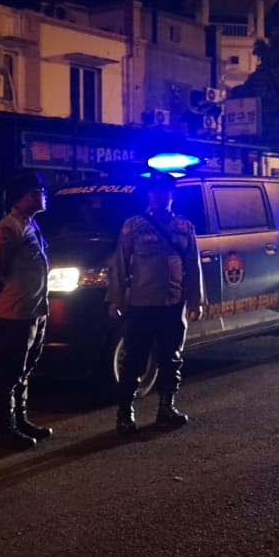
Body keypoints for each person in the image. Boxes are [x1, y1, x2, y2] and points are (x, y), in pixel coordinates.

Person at [107, 173, 206, 433]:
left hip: (173, 303)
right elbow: (118, 264)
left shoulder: (184, 227)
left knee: (171, 358)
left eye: (162, 191)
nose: (157, 196)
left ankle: (166, 408)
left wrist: (195, 300)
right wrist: (116, 298)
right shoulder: (134, 226)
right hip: (142, 304)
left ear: (172, 194)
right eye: (153, 191)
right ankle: (125, 414)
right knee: (135, 360)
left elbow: (193, 266)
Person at [0, 170, 53, 452]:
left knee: (24, 369)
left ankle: (21, 421)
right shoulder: (9, 228)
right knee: (9, 373)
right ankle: (6, 430)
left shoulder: (30, 225)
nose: (43, 195)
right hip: (15, 313)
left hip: (34, 310)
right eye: (38, 192)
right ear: (25, 197)